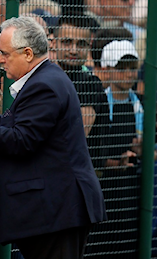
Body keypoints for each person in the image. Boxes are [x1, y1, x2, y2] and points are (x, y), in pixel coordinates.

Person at [0, 16, 107, 259]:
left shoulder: (44, 85)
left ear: (28, 54)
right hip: (53, 211)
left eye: (5, 53)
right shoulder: (44, 78)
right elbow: (21, 130)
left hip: (57, 212)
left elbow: (21, 141)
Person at [85, 40, 143, 259]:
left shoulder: (142, 105)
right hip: (102, 193)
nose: (129, 74)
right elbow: (90, 155)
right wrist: (115, 163)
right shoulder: (97, 104)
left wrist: (142, 152)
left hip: (132, 195)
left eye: (132, 68)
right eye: (122, 68)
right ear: (107, 68)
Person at [52, 14, 109, 175]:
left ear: (88, 47)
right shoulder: (48, 78)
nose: (74, 50)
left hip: (77, 177)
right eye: (67, 42)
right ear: (54, 43)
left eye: (81, 44)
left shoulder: (88, 83)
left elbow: (75, 135)